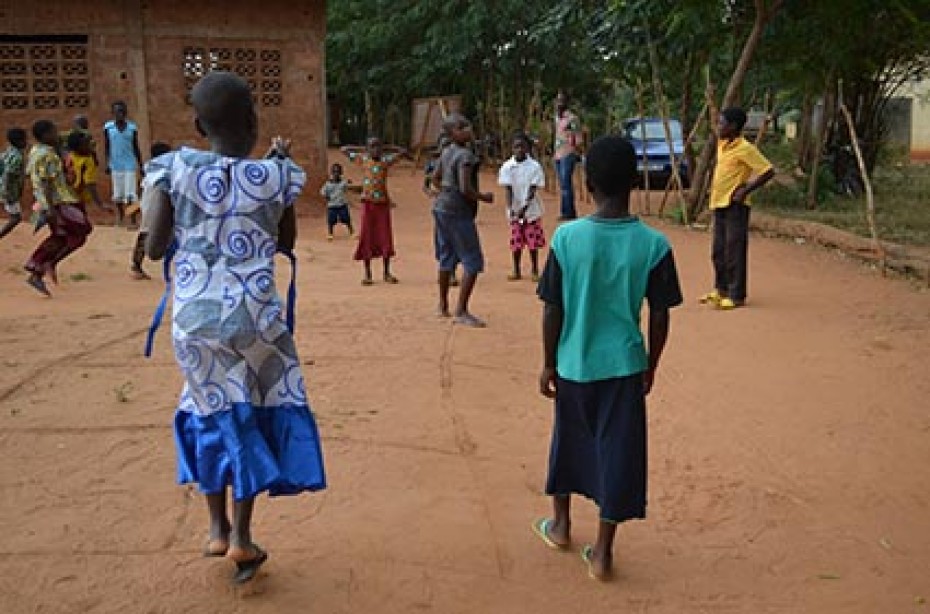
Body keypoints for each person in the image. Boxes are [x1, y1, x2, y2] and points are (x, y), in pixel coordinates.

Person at [145, 71, 326, 585]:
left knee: (206, 411)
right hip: (255, 321)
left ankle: (216, 528)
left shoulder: (173, 169)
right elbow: (283, 240)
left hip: (195, 323)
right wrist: (273, 172)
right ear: (255, 122)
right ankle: (243, 537)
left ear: (199, 124)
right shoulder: (277, 177)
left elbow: (156, 246)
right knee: (250, 414)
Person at [534, 135, 683, 581]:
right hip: (624, 367)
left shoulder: (567, 237)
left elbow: (552, 307)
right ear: (635, 181)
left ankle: (560, 525)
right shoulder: (654, 245)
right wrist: (651, 364)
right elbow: (660, 314)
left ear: (589, 182)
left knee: (568, 441)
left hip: (573, 363)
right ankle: (602, 553)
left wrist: (547, 363)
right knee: (618, 452)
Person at [699, 107, 774, 310]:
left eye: (721, 123)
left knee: (734, 251)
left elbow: (768, 171)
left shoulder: (746, 148)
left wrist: (747, 189)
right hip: (719, 203)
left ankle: (736, 294)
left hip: (735, 206)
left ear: (733, 127)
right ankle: (720, 289)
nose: (718, 127)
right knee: (718, 250)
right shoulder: (723, 144)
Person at [429, 113, 494, 327]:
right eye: (462, 127)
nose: (468, 129)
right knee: (472, 260)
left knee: (446, 256)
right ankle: (461, 310)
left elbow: (435, 178)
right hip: (458, 211)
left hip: (441, 208)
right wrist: (483, 197)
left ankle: (442, 305)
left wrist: (444, 193)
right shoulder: (465, 156)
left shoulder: (446, 152)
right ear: (452, 132)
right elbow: (466, 188)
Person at [23, 120, 93, 296]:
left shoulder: (36, 150)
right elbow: (46, 183)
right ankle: (43, 263)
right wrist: (51, 209)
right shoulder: (49, 156)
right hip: (59, 201)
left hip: (54, 201)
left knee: (63, 236)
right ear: (45, 135)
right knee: (82, 229)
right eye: (53, 132)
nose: (56, 135)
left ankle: (38, 269)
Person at [340, 137, 406, 285]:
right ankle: (368, 274)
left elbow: (403, 152)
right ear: (367, 149)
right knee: (367, 237)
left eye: (378, 147)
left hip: (382, 205)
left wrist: (389, 147)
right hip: (368, 205)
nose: (375, 150)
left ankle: (387, 272)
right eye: (372, 147)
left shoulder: (385, 162)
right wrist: (362, 149)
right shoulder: (363, 160)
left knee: (385, 237)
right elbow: (343, 149)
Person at [499, 132, 546, 282]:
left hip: (531, 211)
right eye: (516, 147)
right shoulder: (507, 167)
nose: (519, 150)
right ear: (512, 148)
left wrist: (523, 208)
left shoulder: (534, 167)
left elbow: (533, 190)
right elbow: (508, 189)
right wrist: (511, 207)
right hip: (514, 211)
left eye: (522, 146)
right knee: (516, 241)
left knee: (533, 243)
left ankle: (534, 269)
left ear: (528, 148)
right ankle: (516, 269)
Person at [131, 141, 171, 280]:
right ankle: (136, 265)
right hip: (154, 206)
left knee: (147, 233)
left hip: (149, 205)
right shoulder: (162, 171)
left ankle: (137, 265)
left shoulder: (151, 169)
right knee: (145, 234)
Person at [424, 136, 458, 287]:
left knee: (455, 239)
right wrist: (432, 192)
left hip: (456, 207)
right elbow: (426, 185)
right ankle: (446, 271)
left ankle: (451, 272)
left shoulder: (459, 162)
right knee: (442, 240)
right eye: (444, 146)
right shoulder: (433, 164)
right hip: (441, 207)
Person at [104, 100, 143, 226]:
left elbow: (136, 147)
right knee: (118, 193)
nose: (119, 114)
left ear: (125, 113)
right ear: (113, 113)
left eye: (121, 111)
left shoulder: (132, 128)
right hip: (115, 165)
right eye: (116, 111)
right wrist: (107, 163)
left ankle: (132, 220)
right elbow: (107, 146)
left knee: (131, 193)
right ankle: (120, 218)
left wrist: (141, 165)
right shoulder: (108, 128)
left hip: (130, 164)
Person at [553, 91, 582, 220]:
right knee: (563, 184)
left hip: (568, 153)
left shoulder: (572, 119)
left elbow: (578, 137)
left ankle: (568, 212)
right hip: (558, 155)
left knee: (566, 184)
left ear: (567, 103)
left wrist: (575, 150)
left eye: (562, 101)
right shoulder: (556, 118)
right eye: (558, 101)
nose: (559, 103)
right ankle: (566, 211)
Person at [0, 128, 28, 239]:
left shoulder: (7, 151)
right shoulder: (17, 157)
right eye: (25, 140)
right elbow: (9, 175)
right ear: (19, 141)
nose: (27, 142)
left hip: (3, 186)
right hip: (9, 191)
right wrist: (8, 192)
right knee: (16, 218)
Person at [319, 162, 354, 240]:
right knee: (331, 220)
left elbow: (347, 186)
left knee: (346, 219)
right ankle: (330, 234)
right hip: (332, 206)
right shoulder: (328, 184)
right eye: (334, 172)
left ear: (341, 173)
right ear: (332, 173)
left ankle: (351, 232)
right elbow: (322, 192)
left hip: (342, 205)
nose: (336, 174)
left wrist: (349, 182)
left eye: (338, 172)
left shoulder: (343, 183)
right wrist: (327, 197)